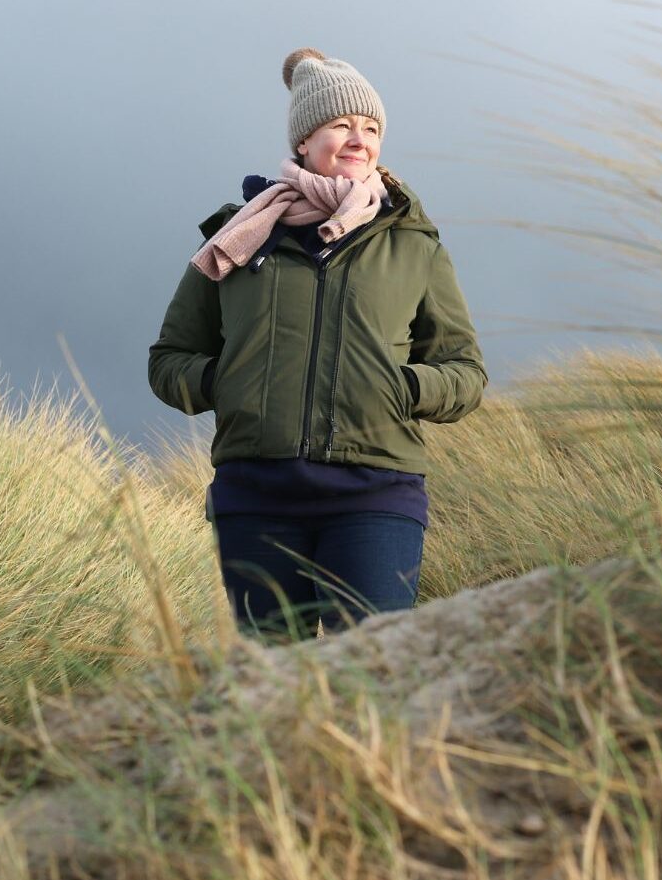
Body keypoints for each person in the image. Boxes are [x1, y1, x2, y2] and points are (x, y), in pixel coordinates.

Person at [148, 48, 486, 638]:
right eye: (341, 125)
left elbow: (465, 371)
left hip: (376, 493)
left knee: (374, 669)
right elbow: (169, 358)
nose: (359, 139)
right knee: (274, 681)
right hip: (256, 497)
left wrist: (403, 387)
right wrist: (225, 383)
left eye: (372, 128)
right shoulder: (239, 236)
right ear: (305, 140)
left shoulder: (412, 242)